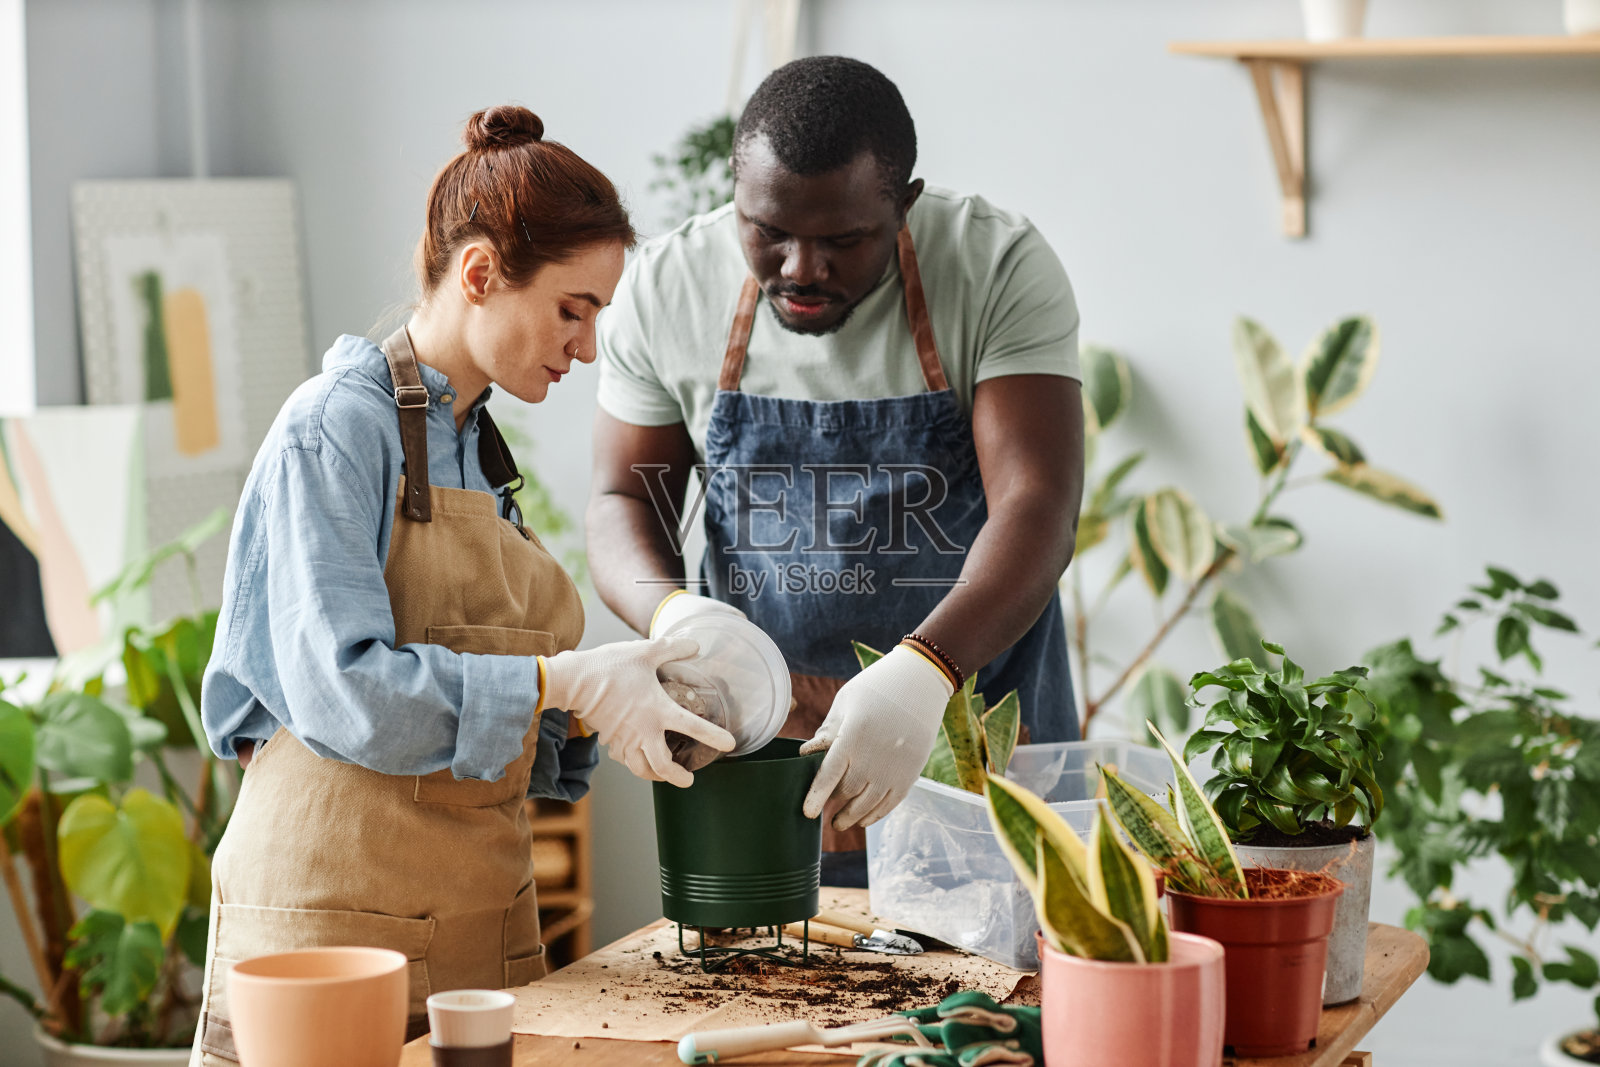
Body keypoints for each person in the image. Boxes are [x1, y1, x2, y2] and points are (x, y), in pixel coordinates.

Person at [189, 105, 734, 1066]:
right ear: (480, 273)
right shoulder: (335, 428)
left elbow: (490, 739)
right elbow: (346, 692)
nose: (587, 347)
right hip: (330, 934)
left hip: (477, 933)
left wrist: (612, 710)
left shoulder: (477, 455)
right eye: (572, 309)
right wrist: (559, 682)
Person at [587, 57, 1085, 887]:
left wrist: (925, 669)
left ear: (904, 205)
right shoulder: (668, 288)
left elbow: (1037, 502)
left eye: (843, 241)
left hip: (971, 730)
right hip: (766, 745)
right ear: (736, 192)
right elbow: (620, 497)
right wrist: (671, 613)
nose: (800, 268)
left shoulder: (995, 265)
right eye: (768, 231)